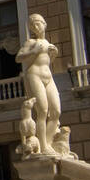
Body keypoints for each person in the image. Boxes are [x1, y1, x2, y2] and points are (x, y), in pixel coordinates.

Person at [16, 13, 61, 155]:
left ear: (44, 23)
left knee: (56, 112)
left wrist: (53, 54)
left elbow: (47, 61)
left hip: (48, 77)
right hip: (34, 75)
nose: (36, 26)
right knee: (42, 110)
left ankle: (47, 143)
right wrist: (34, 51)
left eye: (37, 23)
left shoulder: (48, 43)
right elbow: (19, 57)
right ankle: (43, 146)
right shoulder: (30, 42)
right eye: (32, 25)